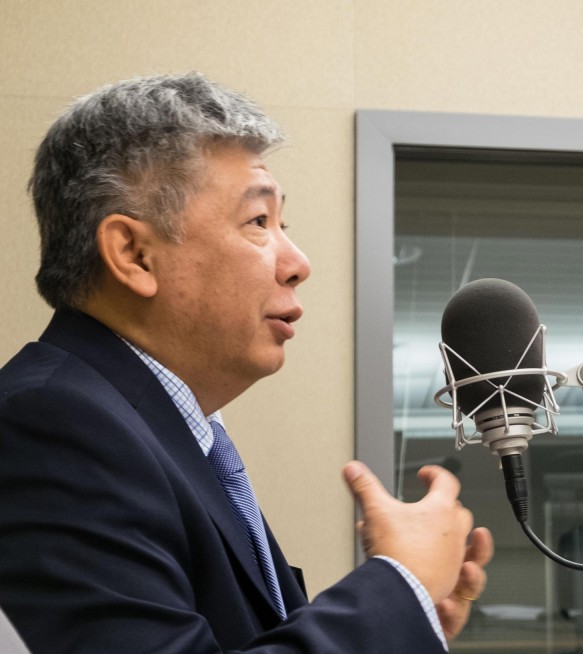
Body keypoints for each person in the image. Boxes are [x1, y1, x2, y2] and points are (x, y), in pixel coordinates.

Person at [0, 72, 493, 653]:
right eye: (259, 222)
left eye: (284, 224)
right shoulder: (52, 424)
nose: (298, 261)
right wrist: (398, 588)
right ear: (133, 254)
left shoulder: (173, 434)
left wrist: (410, 621)